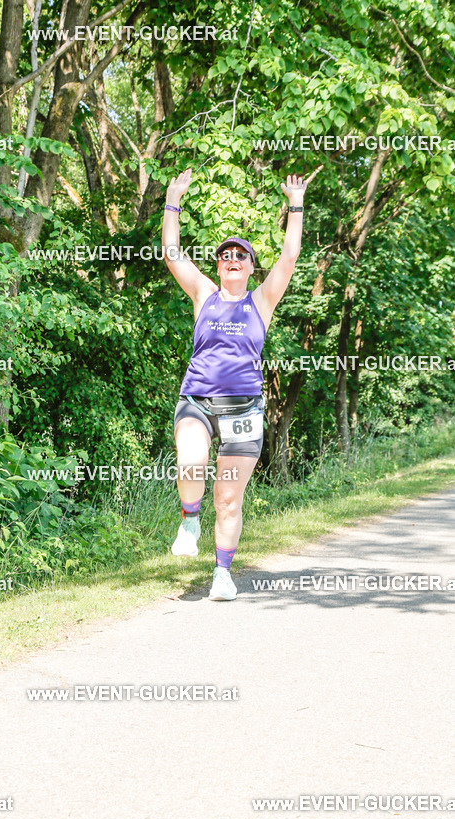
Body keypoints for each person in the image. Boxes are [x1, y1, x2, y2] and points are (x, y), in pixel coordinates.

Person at [162, 168, 309, 600]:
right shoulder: (203, 293)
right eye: (225, 254)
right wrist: (173, 201)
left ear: (248, 267)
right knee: (190, 463)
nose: (231, 259)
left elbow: (289, 258)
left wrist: (294, 205)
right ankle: (190, 518)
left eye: (240, 256)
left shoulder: (261, 300)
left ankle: (222, 573)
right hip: (198, 401)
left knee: (228, 498)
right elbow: (172, 254)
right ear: (218, 265)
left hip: (244, 410)